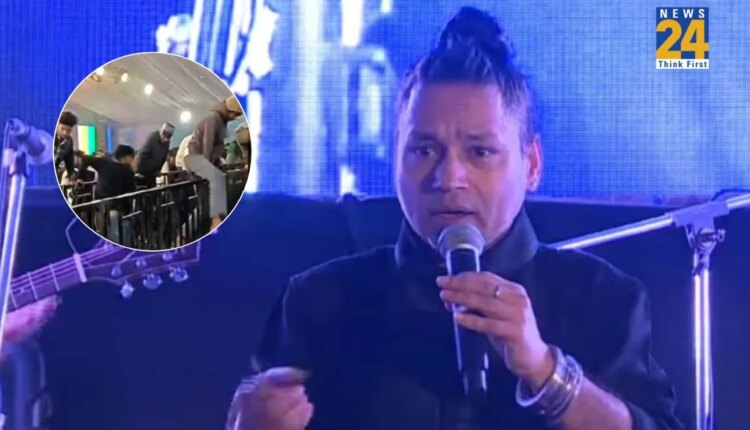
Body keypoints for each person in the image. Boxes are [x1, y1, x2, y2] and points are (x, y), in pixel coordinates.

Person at [228, 7, 683, 430]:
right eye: (424, 151)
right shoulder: (318, 301)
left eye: (479, 152)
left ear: (532, 164)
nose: (448, 178)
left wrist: (546, 371)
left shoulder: (602, 300)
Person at [183, 96, 245, 230]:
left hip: (202, 160)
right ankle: (215, 221)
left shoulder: (220, 121)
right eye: (235, 114)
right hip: (195, 159)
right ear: (230, 110)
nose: (235, 118)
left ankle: (214, 221)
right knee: (215, 182)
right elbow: (207, 144)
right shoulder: (214, 119)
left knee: (204, 204)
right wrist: (209, 169)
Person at [78, 145, 137, 245]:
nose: (133, 160)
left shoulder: (104, 162)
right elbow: (131, 190)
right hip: (118, 207)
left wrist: (80, 177)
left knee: (103, 230)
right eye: (132, 157)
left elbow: (84, 160)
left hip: (101, 203)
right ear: (126, 157)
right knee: (118, 233)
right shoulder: (127, 171)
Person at [136, 122, 174, 188]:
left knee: (153, 190)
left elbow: (163, 157)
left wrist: (158, 170)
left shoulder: (167, 142)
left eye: (167, 136)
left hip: (153, 172)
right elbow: (143, 154)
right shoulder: (153, 137)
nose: (164, 138)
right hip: (143, 171)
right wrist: (140, 170)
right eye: (164, 135)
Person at [54, 111, 78, 181]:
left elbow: (69, 158)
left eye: (68, 130)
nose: (65, 133)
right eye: (62, 128)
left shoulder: (69, 141)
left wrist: (71, 173)